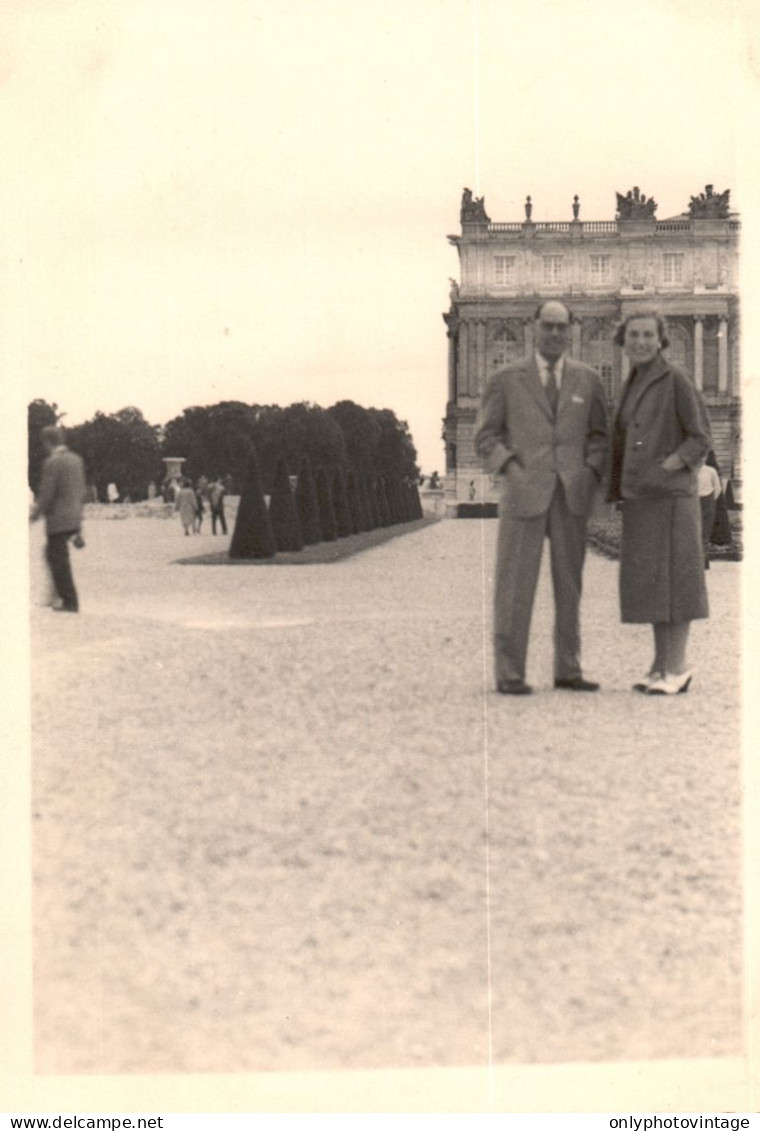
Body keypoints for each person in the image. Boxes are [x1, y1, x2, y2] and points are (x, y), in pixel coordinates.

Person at [474, 300, 608, 694]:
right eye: (547, 326)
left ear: (570, 330)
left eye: (560, 327)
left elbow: (600, 437)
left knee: (570, 587)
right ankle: (510, 672)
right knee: (514, 586)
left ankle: (568, 668)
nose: (554, 334)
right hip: (523, 493)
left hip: (570, 493)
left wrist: (590, 472)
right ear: (534, 328)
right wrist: (511, 470)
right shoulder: (505, 378)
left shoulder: (588, 380)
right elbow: (485, 436)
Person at [607, 311, 710, 695]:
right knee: (653, 584)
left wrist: (672, 464)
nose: (640, 341)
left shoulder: (676, 378)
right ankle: (659, 665)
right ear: (624, 339)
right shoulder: (632, 381)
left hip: (669, 496)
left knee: (677, 582)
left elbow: (700, 437)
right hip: (641, 496)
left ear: (661, 340)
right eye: (633, 334)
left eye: (648, 335)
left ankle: (678, 667)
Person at [29, 426, 87, 613]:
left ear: (47, 442)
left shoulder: (52, 463)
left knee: (57, 557)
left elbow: (47, 494)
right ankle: (56, 596)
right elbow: (81, 491)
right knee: (54, 554)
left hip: (58, 518)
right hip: (74, 515)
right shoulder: (76, 460)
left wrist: (34, 515)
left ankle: (69, 601)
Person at [697, 451, 723, 569]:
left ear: (706, 457)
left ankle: (703, 562)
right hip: (694, 503)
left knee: (705, 533)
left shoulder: (711, 471)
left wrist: (710, 501)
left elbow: (717, 489)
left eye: (703, 456)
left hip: (707, 504)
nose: (701, 458)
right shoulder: (691, 470)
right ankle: (695, 562)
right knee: (694, 532)